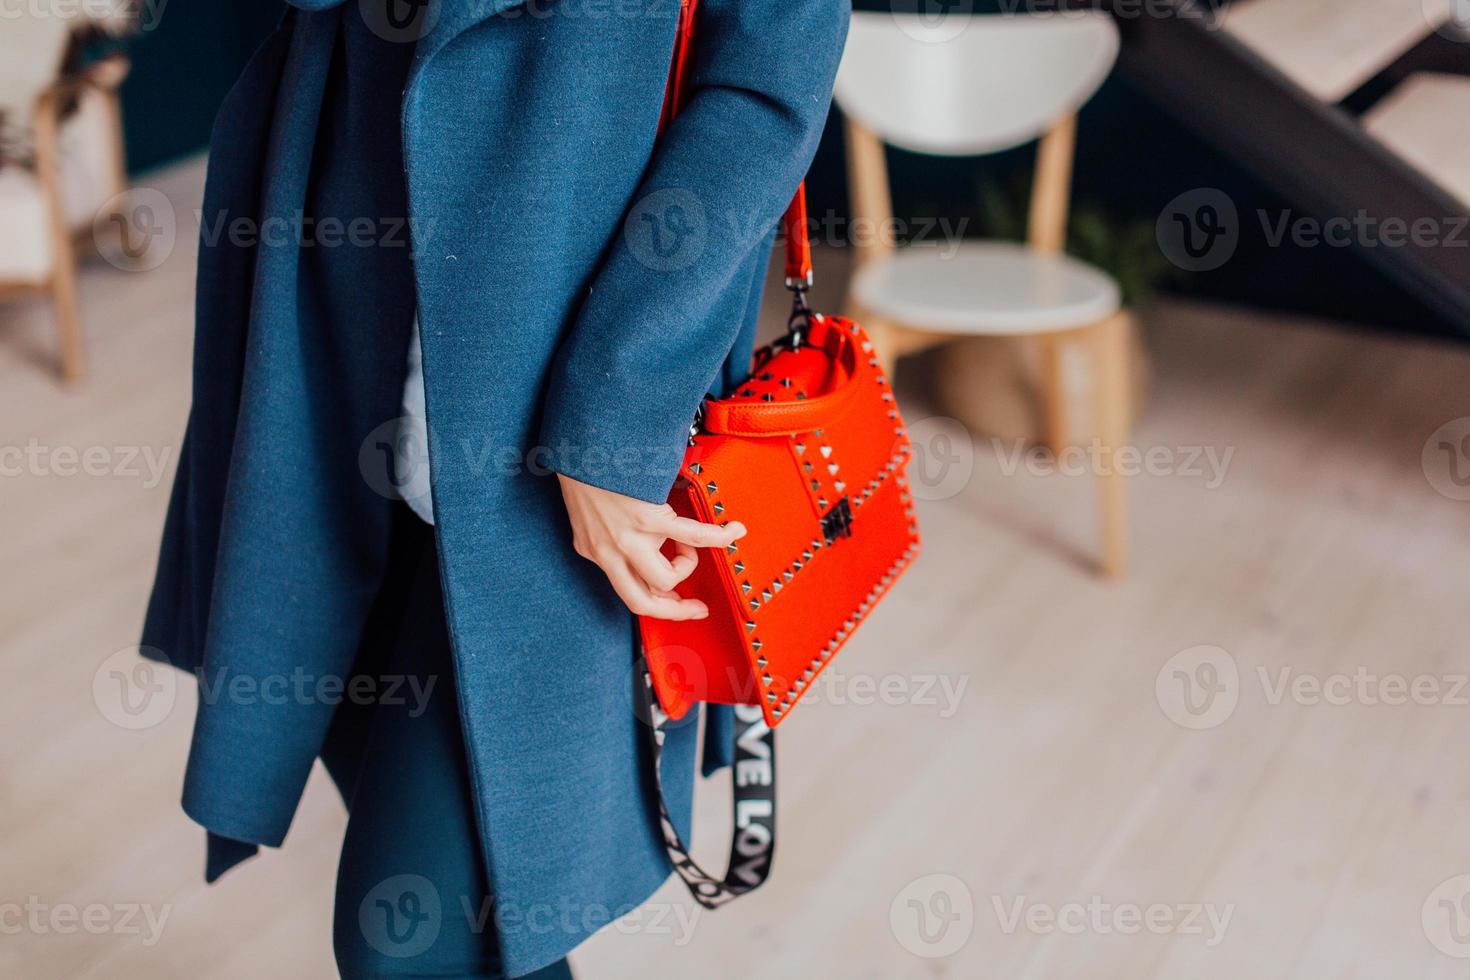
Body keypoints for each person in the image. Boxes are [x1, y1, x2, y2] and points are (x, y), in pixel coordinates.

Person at [139, 0, 849, 976]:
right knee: (472, 893)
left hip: (563, 373)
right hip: (343, 317)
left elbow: (764, 87)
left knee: (410, 934)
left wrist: (612, 418)